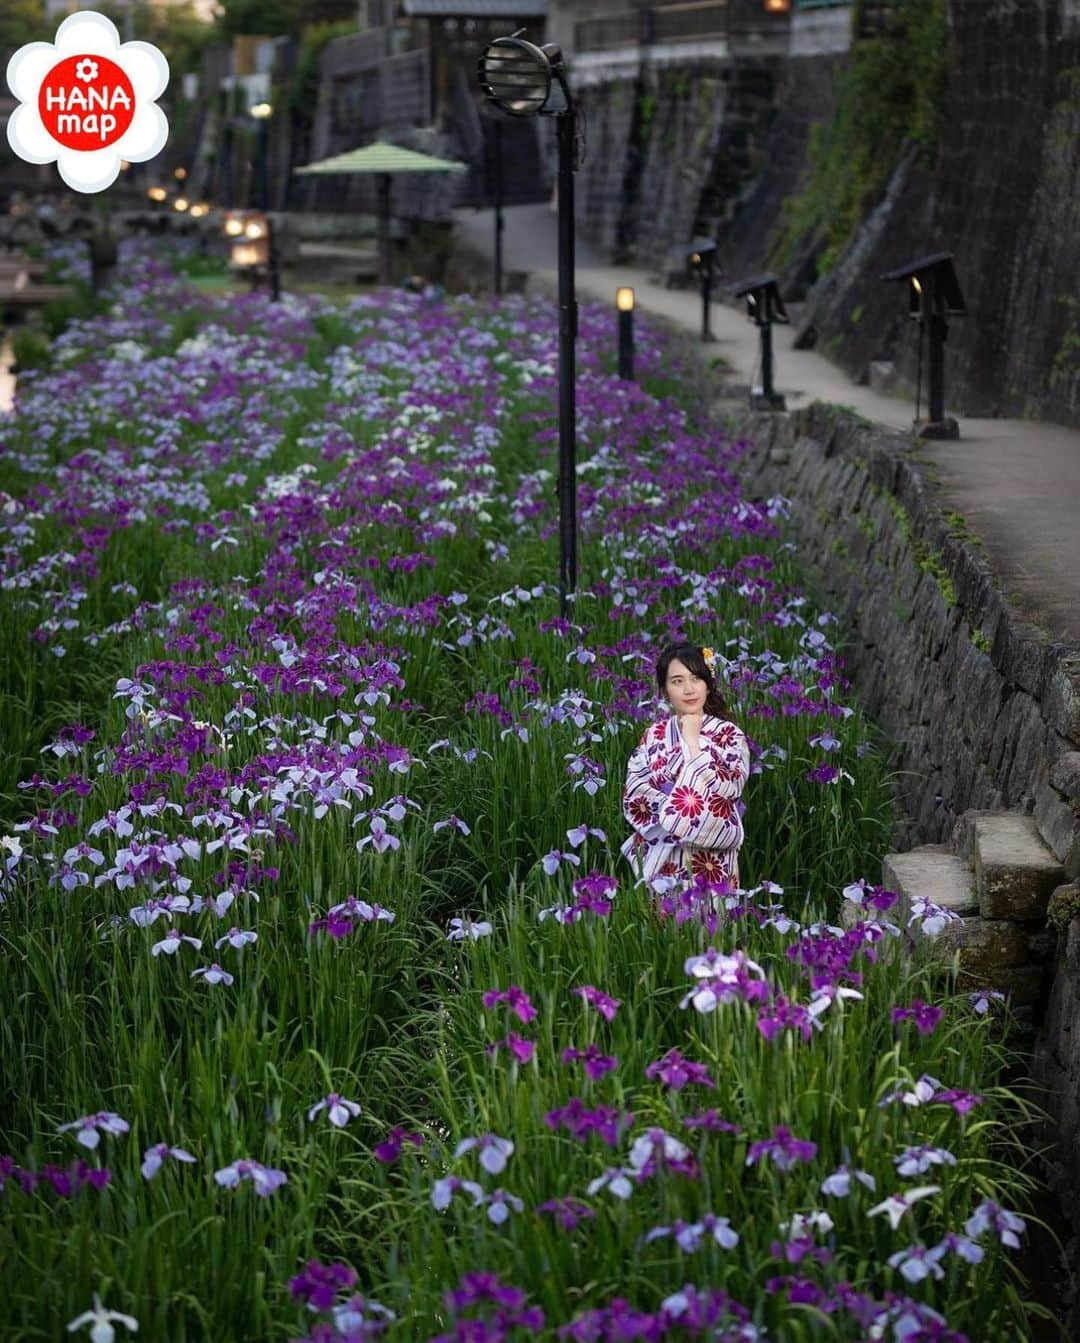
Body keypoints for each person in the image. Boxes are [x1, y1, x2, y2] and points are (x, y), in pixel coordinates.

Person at [620, 641, 751, 892]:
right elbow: (635, 790)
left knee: (713, 924)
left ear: (708, 684)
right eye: (677, 681)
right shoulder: (654, 734)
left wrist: (692, 743)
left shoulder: (729, 734)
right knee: (665, 926)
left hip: (713, 859)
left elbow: (730, 787)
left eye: (695, 679)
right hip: (664, 855)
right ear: (665, 689)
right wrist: (676, 811)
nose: (689, 689)